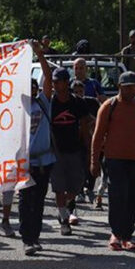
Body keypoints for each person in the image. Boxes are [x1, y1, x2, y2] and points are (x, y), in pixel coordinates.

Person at [91, 72, 135, 251]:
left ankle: (127, 236)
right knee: (118, 197)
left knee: (133, 198)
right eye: (128, 87)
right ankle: (116, 233)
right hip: (115, 159)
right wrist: (94, 161)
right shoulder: (109, 106)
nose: (132, 90)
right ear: (120, 87)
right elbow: (98, 135)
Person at [20, 40, 56, 255]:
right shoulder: (19, 107)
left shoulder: (43, 102)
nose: (33, 90)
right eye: (29, 87)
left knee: (39, 201)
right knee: (26, 202)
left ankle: (35, 237)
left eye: (35, 87)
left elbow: (49, 78)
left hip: (44, 162)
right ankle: (27, 239)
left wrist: (40, 55)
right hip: (26, 163)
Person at [50, 67, 91, 235]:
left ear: (66, 83)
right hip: (56, 151)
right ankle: (64, 220)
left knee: (77, 184)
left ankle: (64, 207)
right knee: (59, 187)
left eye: (57, 81)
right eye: (53, 81)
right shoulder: (50, 102)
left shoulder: (78, 102)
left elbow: (85, 126)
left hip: (75, 149)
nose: (54, 84)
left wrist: (88, 150)